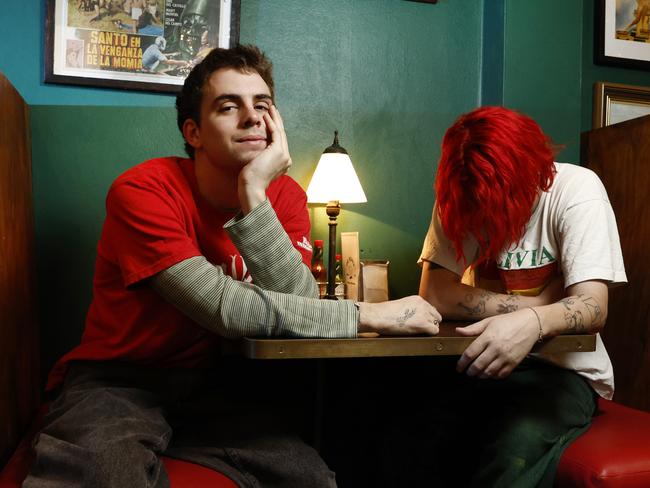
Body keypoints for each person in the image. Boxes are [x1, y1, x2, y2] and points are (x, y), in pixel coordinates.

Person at [24, 45, 440, 488]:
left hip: (214, 386)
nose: (252, 118)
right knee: (105, 476)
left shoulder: (284, 198)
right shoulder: (142, 191)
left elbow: (297, 305)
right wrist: (367, 314)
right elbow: (224, 309)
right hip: (119, 381)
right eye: (229, 106)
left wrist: (254, 191)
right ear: (194, 131)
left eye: (262, 106)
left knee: (310, 478)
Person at [416, 106, 626, 487]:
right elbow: (433, 293)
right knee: (409, 429)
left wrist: (531, 324)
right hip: (480, 359)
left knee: (513, 443)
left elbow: (593, 305)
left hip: (564, 372)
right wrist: (540, 306)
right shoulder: (461, 191)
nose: (487, 216)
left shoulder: (577, 189)